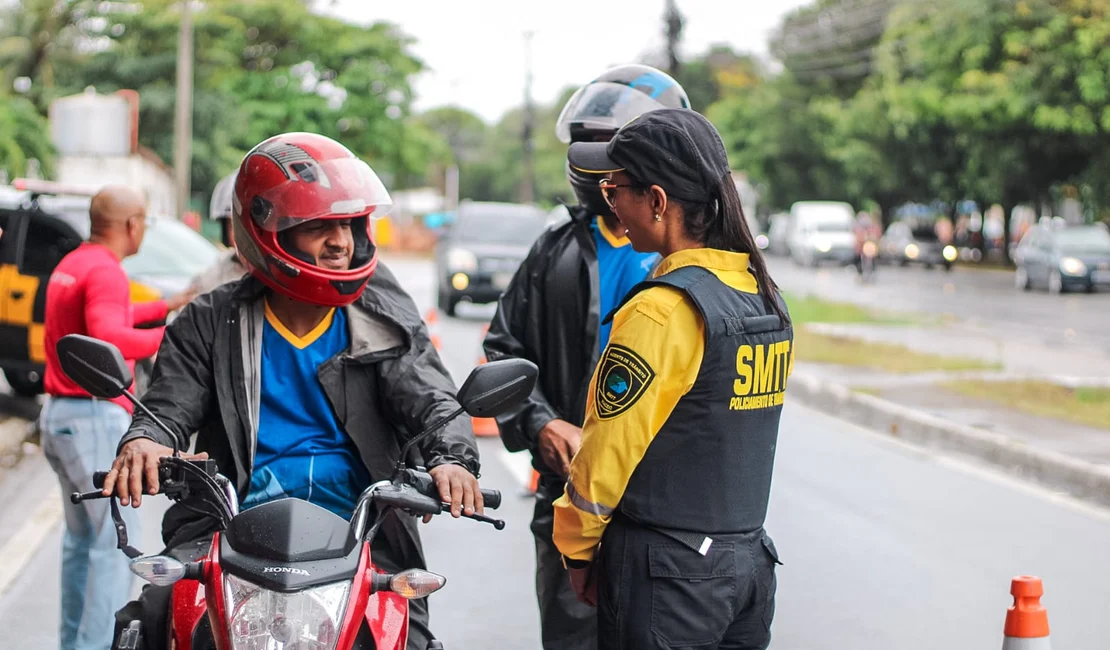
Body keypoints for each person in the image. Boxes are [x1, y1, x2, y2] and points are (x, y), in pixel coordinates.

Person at [103, 133, 484, 650]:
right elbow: (169, 405)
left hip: (361, 533)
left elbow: (431, 398)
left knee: (408, 640)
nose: (340, 242)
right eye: (318, 226)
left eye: (348, 224)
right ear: (268, 233)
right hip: (229, 530)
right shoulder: (208, 321)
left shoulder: (382, 318)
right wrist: (145, 439)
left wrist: (452, 459)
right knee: (149, 623)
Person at [553, 109, 793, 650]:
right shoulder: (761, 298)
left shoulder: (662, 311)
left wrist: (577, 548)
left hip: (668, 578)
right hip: (747, 568)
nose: (611, 206)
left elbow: (606, 454)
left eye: (615, 190)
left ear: (657, 202)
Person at [482, 63, 690, 650]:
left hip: (672, 515)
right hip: (571, 501)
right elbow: (504, 348)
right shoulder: (555, 251)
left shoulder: (705, 258)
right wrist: (540, 422)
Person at [40, 185, 194, 650]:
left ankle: (74, 642)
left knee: (82, 547)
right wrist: (177, 336)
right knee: (111, 551)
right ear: (132, 225)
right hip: (91, 418)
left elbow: (110, 314)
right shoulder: (106, 271)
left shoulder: (75, 263)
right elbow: (110, 334)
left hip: (61, 418)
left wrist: (166, 307)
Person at [187, 170, 247, 295]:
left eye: (246, 228)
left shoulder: (282, 279)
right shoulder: (214, 276)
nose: (241, 238)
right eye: (233, 227)